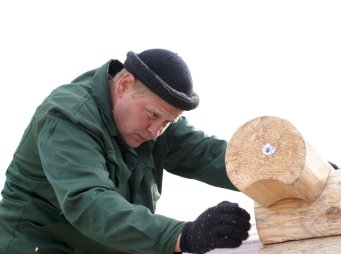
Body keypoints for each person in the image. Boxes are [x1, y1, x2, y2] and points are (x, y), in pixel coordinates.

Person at [0, 48, 251, 254]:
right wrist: (183, 235)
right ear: (125, 85)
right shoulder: (67, 117)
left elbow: (207, 154)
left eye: (166, 123)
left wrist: (276, 175)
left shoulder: (156, 120)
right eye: (153, 115)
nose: (155, 131)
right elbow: (90, 204)